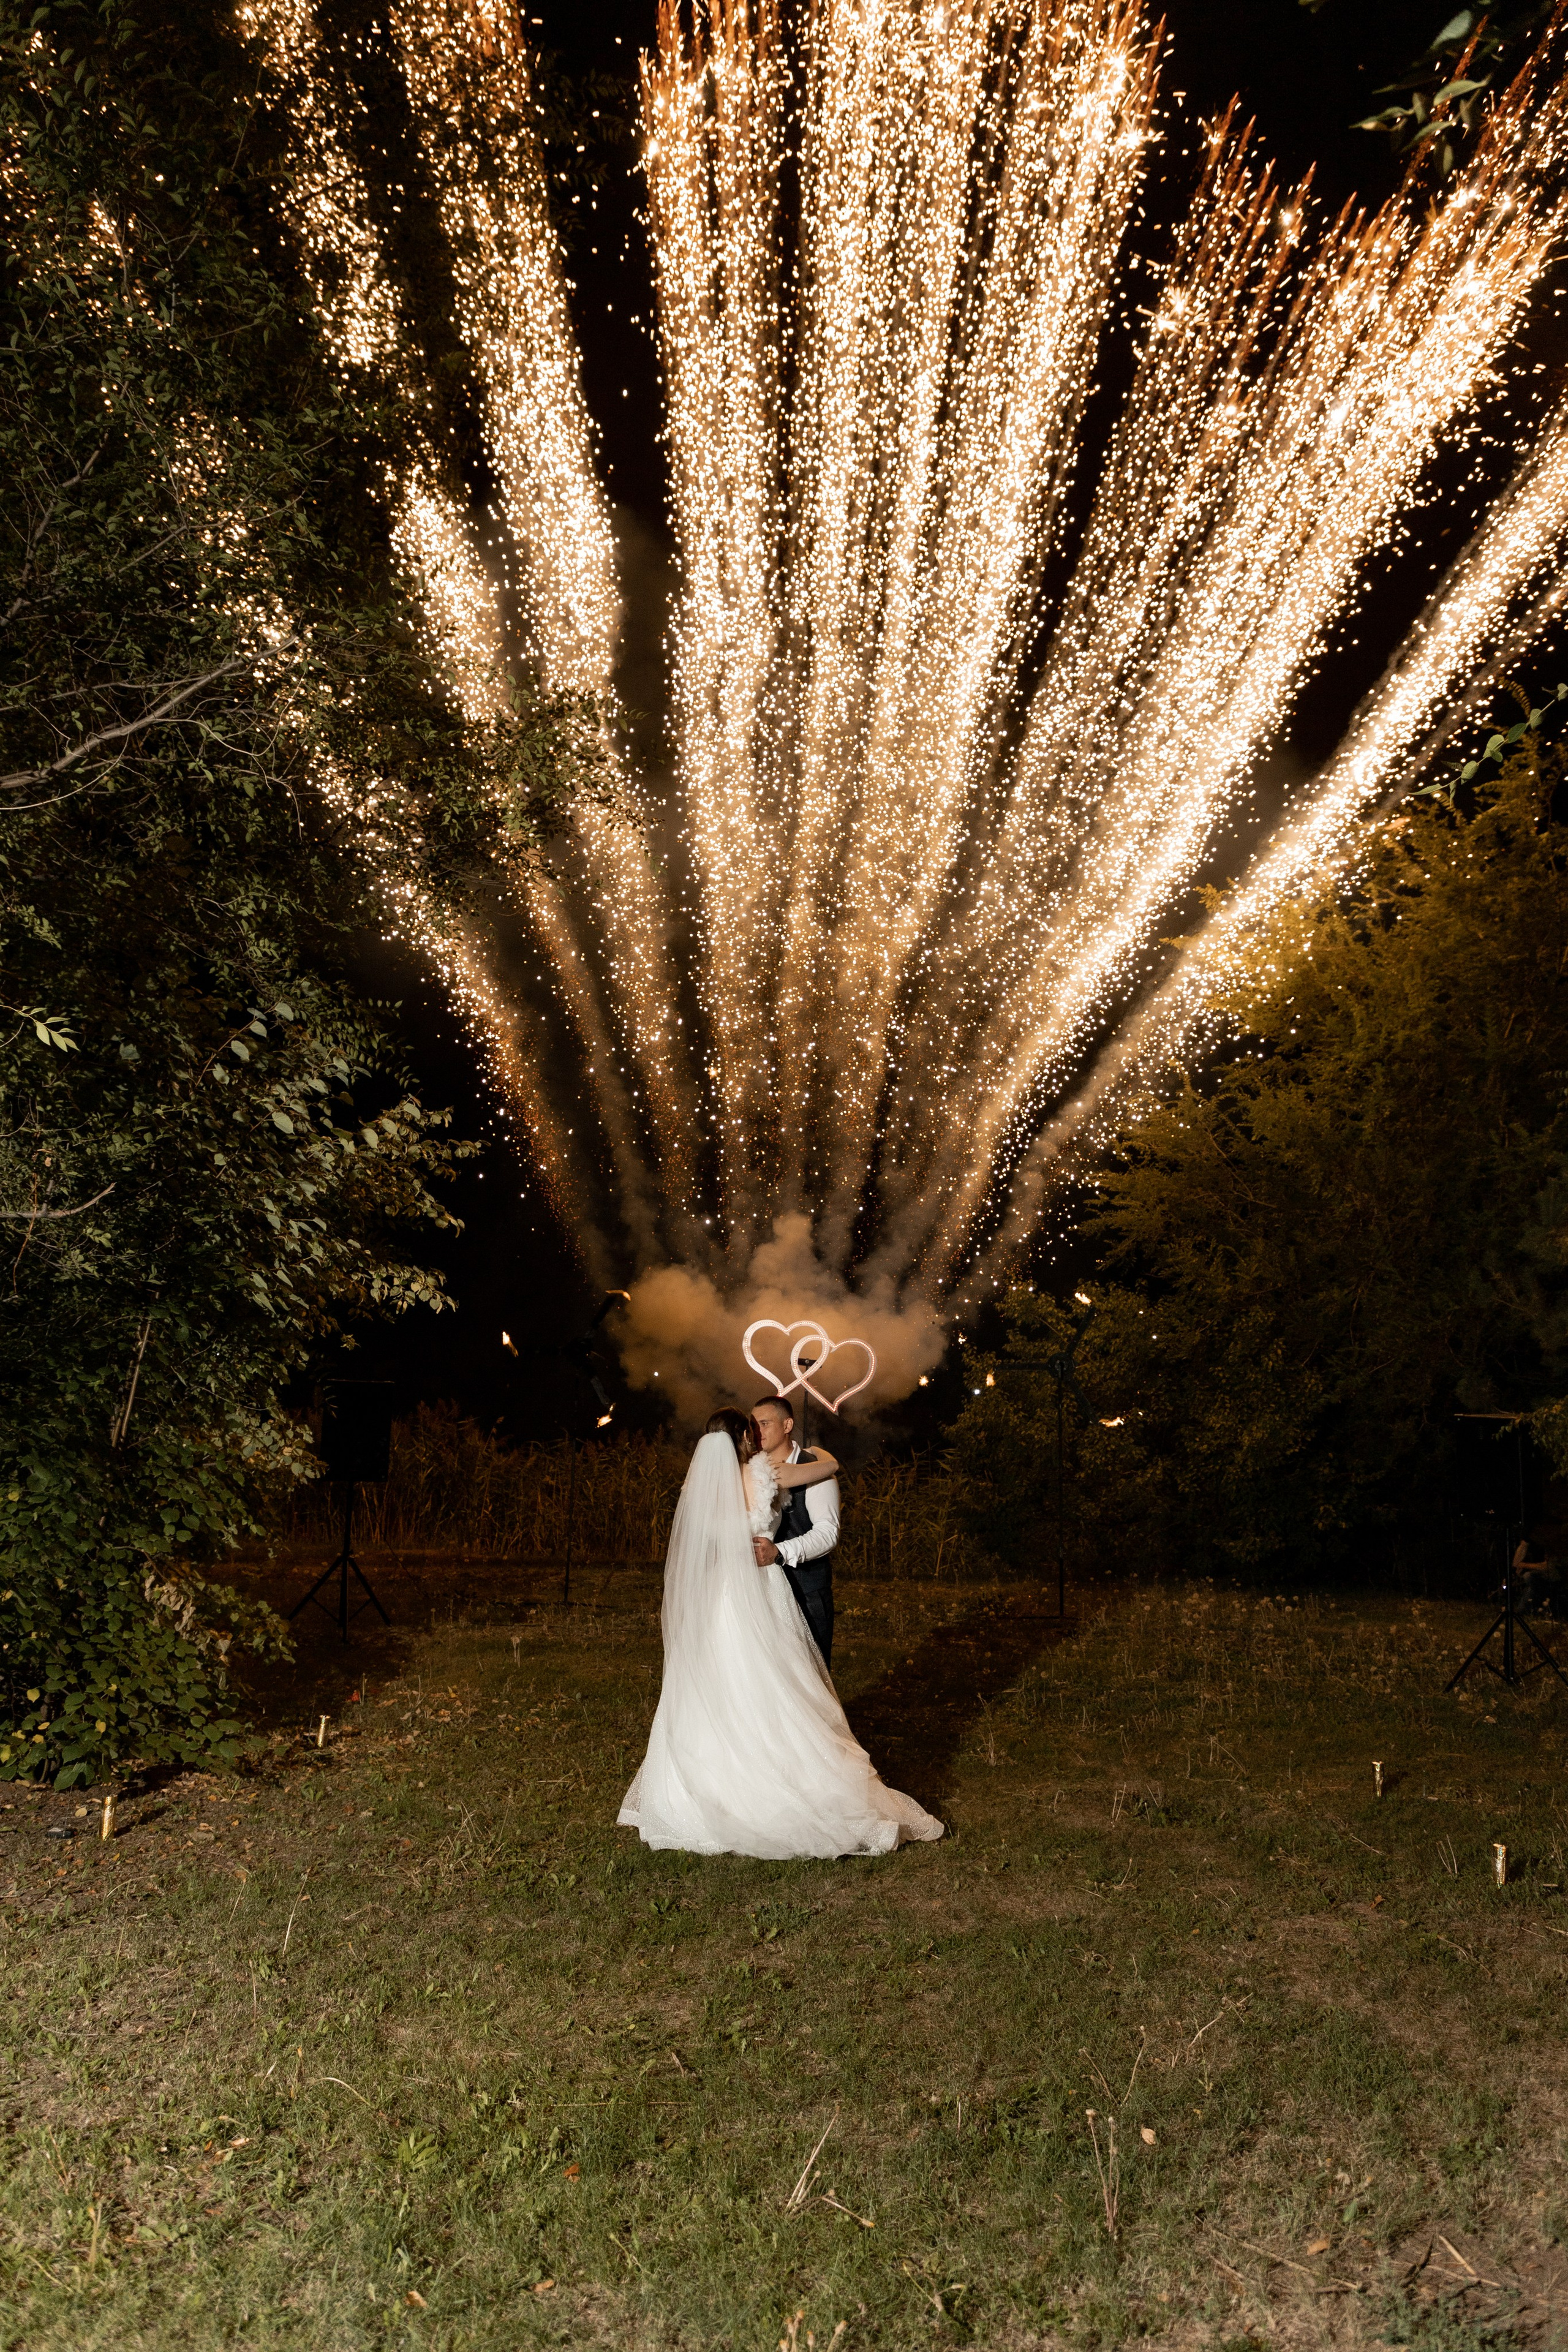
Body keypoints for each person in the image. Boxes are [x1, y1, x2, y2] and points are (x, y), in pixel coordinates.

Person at [617, 1408, 943, 1859]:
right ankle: (786, 1780)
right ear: (745, 1437)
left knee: (720, 1684)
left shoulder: (699, 1486)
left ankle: (704, 1790)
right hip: (760, 1590)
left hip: (718, 1595)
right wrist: (826, 1455)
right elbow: (827, 1467)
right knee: (777, 1682)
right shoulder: (763, 1473)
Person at [751, 1391, 837, 1666]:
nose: (757, 1431)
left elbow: (828, 1532)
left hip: (806, 1590)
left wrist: (779, 1552)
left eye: (764, 1424)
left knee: (813, 1674)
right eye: (753, 1425)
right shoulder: (751, 1469)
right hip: (763, 1590)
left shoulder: (816, 1470)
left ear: (787, 1426)